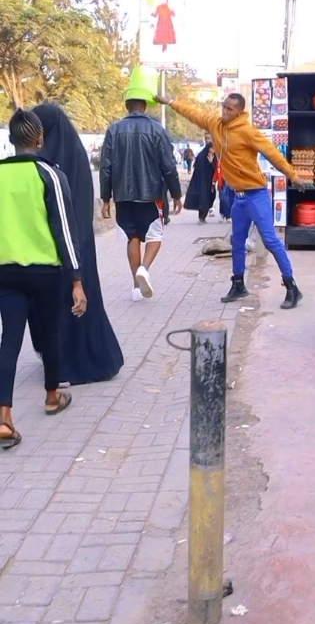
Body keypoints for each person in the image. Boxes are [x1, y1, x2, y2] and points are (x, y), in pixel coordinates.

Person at [156, 91, 308, 309]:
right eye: (223, 106)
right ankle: (238, 284)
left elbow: (272, 154)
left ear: (239, 112)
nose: (224, 111)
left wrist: (293, 175)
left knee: (270, 240)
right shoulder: (215, 125)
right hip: (238, 198)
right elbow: (193, 113)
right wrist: (170, 101)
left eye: (230, 109)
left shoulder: (248, 132)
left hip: (256, 195)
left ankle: (292, 287)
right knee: (237, 242)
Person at [0, 110, 87, 447]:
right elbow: (64, 229)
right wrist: (77, 279)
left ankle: (5, 417)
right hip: (44, 270)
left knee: (9, 340)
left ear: (11, 140)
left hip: (5, 271)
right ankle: (52, 396)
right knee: (50, 332)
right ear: (39, 139)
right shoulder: (49, 173)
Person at [27, 104, 123, 386]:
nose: (38, 137)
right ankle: (61, 357)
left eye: (41, 131)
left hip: (68, 243)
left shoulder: (56, 163)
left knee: (69, 300)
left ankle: (69, 363)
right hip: (67, 243)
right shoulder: (65, 157)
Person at [100, 97, 183, 301]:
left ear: (126, 107)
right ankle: (144, 269)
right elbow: (169, 165)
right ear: (144, 107)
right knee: (154, 236)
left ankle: (136, 288)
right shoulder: (156, 130)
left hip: (123, 196)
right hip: (151, 194)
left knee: (133, 237)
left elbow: (105, 167)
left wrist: (105, 198)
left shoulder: (113, 130)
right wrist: (176, 193)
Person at [184, 132, 217, 223]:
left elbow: (215, 168)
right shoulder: (202, 156)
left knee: (210, 197)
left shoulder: (214, 157)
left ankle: (205, 215)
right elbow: (199, 168)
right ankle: (201, 217)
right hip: (202, 181)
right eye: (211, 148)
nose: (212, 150)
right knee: (203, 198)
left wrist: (211, 163)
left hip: (210, 181)